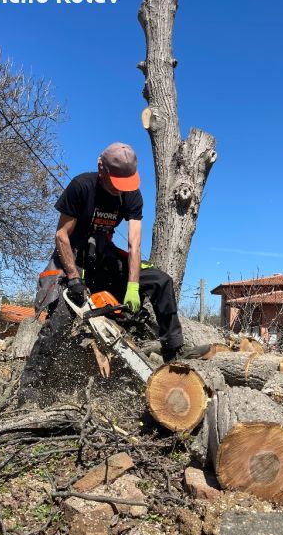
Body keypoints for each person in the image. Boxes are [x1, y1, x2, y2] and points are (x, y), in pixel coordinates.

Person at [18, 142, 186, 405]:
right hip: (73, 260)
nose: (121, 187)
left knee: (161, 281)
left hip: (104, 258)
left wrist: (132, 285)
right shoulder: (82, 186)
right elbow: (61, 236)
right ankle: (31, 385)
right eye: (116, 181)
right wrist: (73, 278)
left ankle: (175, 353)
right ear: (101, 169)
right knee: (61, 316)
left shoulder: (131, 194)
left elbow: (134, 244)